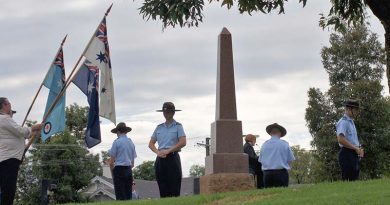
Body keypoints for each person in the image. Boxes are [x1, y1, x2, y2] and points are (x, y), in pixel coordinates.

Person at [0, 97, 42, 205]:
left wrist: (31, 133)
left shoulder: (4, 120)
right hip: (8, 159)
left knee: (8, 189)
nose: (11, 107)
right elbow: (21, 131)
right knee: (8, 189)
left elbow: (19, 135)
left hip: (9, 158)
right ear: (5, 105)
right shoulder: (4, 118)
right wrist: (34, 127)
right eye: (9, 104)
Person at [149, 102, 186, 198]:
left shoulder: (178, 126)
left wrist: (169, 150)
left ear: (173, 112)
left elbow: (183, 142)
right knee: (162, 186)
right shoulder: (159, 127)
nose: (166, 114)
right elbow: (151, 144)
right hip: (160, 158)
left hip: (173, 157)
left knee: (174, 186)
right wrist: (158, 152)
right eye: (165, 112)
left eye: (169, 112)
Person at [259, 123, 295, 188]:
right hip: (281, 173)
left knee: (269, 195)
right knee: (282, 195)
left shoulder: (264, 145)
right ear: (280, 133)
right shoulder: (284, 144)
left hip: (267, 174)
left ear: (270, 133)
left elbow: (261, 160)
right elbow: (290, 160)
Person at [108, 122, 137, 200]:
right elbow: (132, 163)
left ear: (118, 132)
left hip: (119, 169)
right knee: (128, 195)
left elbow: (111, 162)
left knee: (120, 195)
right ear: (126, 131)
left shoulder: (116, 142)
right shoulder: (131, 143)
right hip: (128, 169)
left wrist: (113, 173)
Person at [336, 99, 364, 181]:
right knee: (348, 181)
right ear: (348, 109)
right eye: (355, 110)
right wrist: (355, 148)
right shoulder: (343, 122)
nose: (356, 112)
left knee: (354, 180)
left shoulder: (351, 122)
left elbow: (352, 139)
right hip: (346, 154)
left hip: (353, 153)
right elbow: (340, 139)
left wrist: (359, 148)